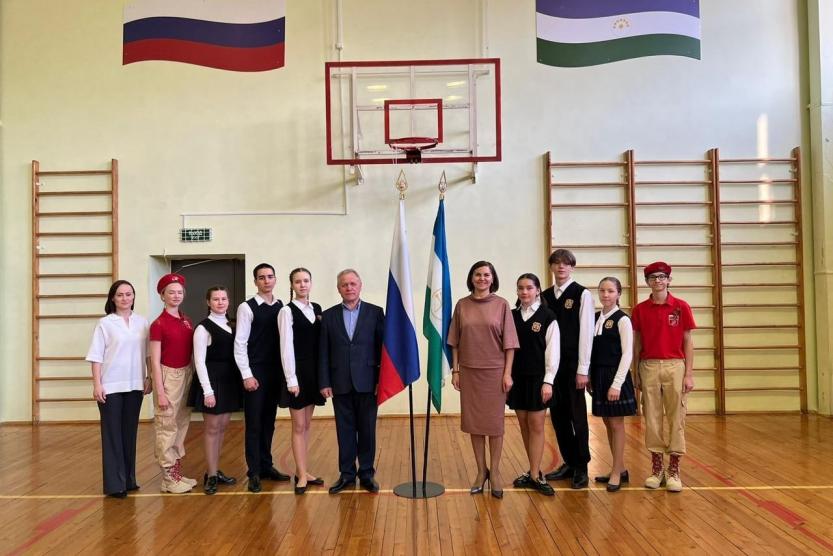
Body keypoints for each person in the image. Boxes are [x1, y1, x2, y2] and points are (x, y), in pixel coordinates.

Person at [449, 261, 519, 499]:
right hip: (469, 372)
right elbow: (455, 342)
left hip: (495, 373)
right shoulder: (462, 305)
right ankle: (481, 471)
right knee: (475, 425)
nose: (482, 278)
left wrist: (507, 373)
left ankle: (495, 471)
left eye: (486, 275)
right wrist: (455, 371)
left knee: (494, 425)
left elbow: (510, 344)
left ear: (493, 278)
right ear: (471, 278)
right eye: (478, 274)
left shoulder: (502, 305)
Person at [318, 269, 384, 494]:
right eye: (344, 284)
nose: (349, 288)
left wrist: (381, 380)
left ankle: (366, 473)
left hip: (368, 382)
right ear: (338, 289)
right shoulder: (328, 316)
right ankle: (346, 474)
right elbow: (323, 352)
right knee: (344, 430)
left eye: (353, 283)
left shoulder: (375, 313)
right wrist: (324, 382)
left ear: (360, 285)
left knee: (367, 430)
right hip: (340, 382)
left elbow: (382, 348)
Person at [631, 261, 696, 493]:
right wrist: (635, 371)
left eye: (661, 277)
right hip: (648, 366)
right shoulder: (640, 310)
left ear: (669, 280)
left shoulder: (681, 306)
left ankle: (674, 469)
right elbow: (637, 343)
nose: (657, 281)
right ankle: (657, 468)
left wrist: (688, 374)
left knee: (676, 417)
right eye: (653, 277)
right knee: (652, 417)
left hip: (675, 365)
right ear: (647, 282)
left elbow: (688, 341)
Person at [86, 280, 152, 498]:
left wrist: (149, 376)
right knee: (112, 435)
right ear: (113, 298)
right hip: (110, 386)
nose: (125, 298)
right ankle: (115, 485)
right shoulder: (105, 324)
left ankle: (129, 480)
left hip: (135, 384)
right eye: (120, 295)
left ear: (134, 297)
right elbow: (96, 357)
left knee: (129, 433)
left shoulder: (142, 322)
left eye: (129, 294)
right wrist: (97, 384)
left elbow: (148, 354)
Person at [234, 263, 291, 493]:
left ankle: (267, 466)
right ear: (255, 281)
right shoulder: (246, 308)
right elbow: (240, 344)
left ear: (275, 279)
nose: (266, 281)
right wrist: (247, 375)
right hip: (255, 373)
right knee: (254, 423)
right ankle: (254, 472)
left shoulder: (281, 307)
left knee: (269, 422)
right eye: (261, 277)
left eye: (270, 276)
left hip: (274, 373)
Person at [541, 249, 594, 489]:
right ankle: (569, 462)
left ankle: (582, 466)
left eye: (566, 263)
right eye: (557, 263)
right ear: (551, 267)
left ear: (572, 267)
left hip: (573, 366)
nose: (561, 267)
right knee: (558, 417)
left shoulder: (582, 294)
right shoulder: (544, 296)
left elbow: (586, 333)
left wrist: (583, 369)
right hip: (552, 368)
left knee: (577, 417)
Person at [187, 286, 244, 495]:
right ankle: (210, 475)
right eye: (216, 299)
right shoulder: (203, 328)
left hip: (229, 381)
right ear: (208, 302)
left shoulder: (231, 326)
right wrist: (207, 391)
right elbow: (199, 362)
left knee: (221, 428)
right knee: (212, 429)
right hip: (212, 381)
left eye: (224, 299)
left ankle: (215, 470)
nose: (220, 302)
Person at [507, 273, 557, 496]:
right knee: (525, 425)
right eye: (521, 288)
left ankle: (536, 475)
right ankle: (532, 470)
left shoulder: (547, 316)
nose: (524, 292)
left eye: (529, 288)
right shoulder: (511, 316)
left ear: (538, 290)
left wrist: (548, 381)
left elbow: (552, 351)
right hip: (517, 379)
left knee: (536, 425)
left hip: (539, 379)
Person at [278, 268, 326, 495]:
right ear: (291, 285)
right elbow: (286, 347)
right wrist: (291, 379)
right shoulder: (286, 311)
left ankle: (303, 471)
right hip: (296, 373)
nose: (303, 285)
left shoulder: (316, 308)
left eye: (306, 281)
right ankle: (301, 476)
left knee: (307, 425)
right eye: (298, 282)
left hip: (313, 373)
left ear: (311, 283)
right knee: (298, 425)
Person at [150, 273, 196, 493]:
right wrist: (160, 391)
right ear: (162, 295)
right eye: (171, 292)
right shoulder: (158, 324)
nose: (176, 296)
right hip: (168, 376)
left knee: (181, 423)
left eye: (179, 292)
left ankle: (176, 472)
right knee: (166, 425)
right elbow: (154, 360)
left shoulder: (186, 321)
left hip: (186, 373)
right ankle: (168, 477)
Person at [589, 277, 636, 493]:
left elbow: (627, 354)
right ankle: (620, 468)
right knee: (607, 423)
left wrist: (616, 384)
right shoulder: (595, 318)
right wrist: (591, 375)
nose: (605, 295)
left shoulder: (622, 319)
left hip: (616, 376)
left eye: (610, 291)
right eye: (602, 290)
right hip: (599, 375)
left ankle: (617, 471)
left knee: (616, 424)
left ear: (618, 294)